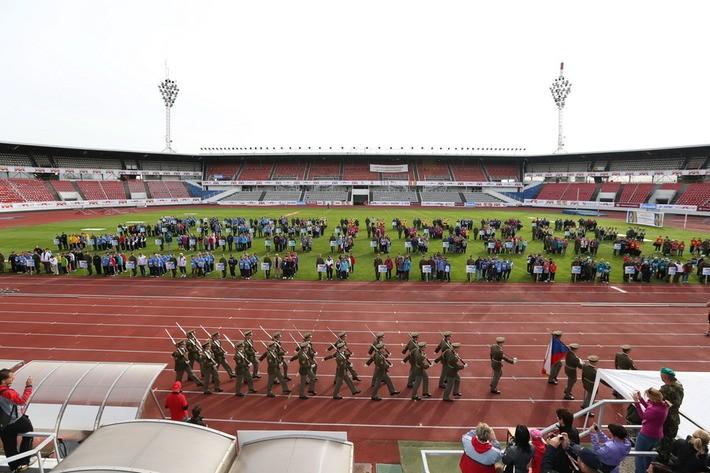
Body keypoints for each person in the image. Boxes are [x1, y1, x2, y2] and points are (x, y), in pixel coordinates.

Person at [0, 369, 33, 473]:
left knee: (9, 445)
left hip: (2, 425)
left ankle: (14, 467)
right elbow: (22, 401)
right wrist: (29, 386)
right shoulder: (7, 392)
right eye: (11, 377)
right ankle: (24, 462)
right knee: (29, 433)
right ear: (4, 380)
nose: (13, 378)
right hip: (15, 421)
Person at [633, 388, 669, 473]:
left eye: (649, 398)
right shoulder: (663, 405)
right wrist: (640, 399)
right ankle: (647, 470)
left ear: (653, 399)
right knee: (647, 454)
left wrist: (636, 402)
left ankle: (640, 471)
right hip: (657, 435)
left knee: (639, 455)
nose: (648, 399)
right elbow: (649, 406)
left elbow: (643, 415)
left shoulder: (654, 410)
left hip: (646, 435)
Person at [657, 368, 684, 464]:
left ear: (664, 377)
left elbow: (656, 399)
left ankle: (662, 461)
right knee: (670, 439)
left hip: (666, 418)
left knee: (664, 441)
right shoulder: (679, 385)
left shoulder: (665, 389)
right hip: (675, 418)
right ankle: (666, 458)